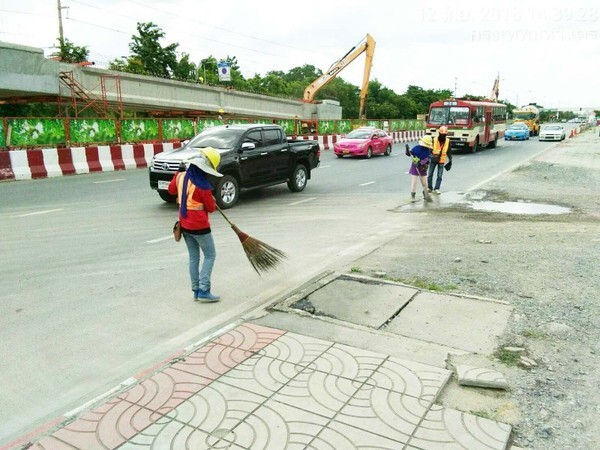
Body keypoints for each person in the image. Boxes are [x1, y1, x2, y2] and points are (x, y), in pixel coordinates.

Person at [168, 148, 222, 302]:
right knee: (210, 255)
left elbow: (172, 190)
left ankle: (196, 290)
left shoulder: (181, 176)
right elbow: (211, 208)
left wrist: (176, 173)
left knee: (193, 257)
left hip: (184, 224)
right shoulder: (202, 184)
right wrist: (211, 199)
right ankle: (204, 290)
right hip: (200, 225)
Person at [405, 135, 433, 202]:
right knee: (414, 182)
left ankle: (426, 195)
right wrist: (407, 150)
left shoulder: (428, 151)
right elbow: (409, 154)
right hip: (415, 167)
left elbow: (427, 159)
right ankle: (413, 196)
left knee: (424, 183)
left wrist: (420, 163)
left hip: (423, 168)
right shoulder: (416, 148)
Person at [427, 126, 451, 194]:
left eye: (444, 134)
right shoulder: (434, 140)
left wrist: (450, 161)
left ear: (446, 134)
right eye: (442, 134)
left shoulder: (448, 141)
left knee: (439, 176)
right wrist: (429, 158)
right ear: (439, 133)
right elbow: (430, 149)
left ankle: (437, 188)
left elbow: (449, 151)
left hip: (442, 161)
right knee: (430, 174)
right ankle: (429, 187)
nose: (443, 135)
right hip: (433, 159)